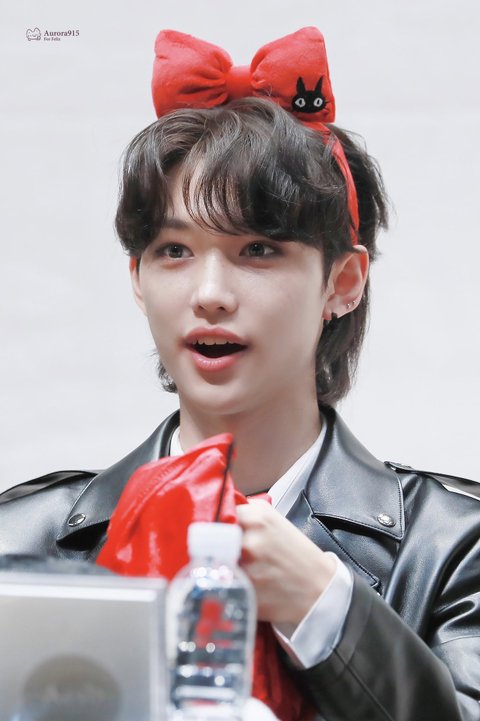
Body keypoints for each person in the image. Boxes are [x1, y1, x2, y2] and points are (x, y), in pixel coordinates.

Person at [1, 27, 479, 721]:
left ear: (343, 282)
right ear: (137, 279)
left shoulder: (455, 549)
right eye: (174, 250)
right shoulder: (21, 540)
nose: (210, 294)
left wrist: (327, 606)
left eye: (258, 249)